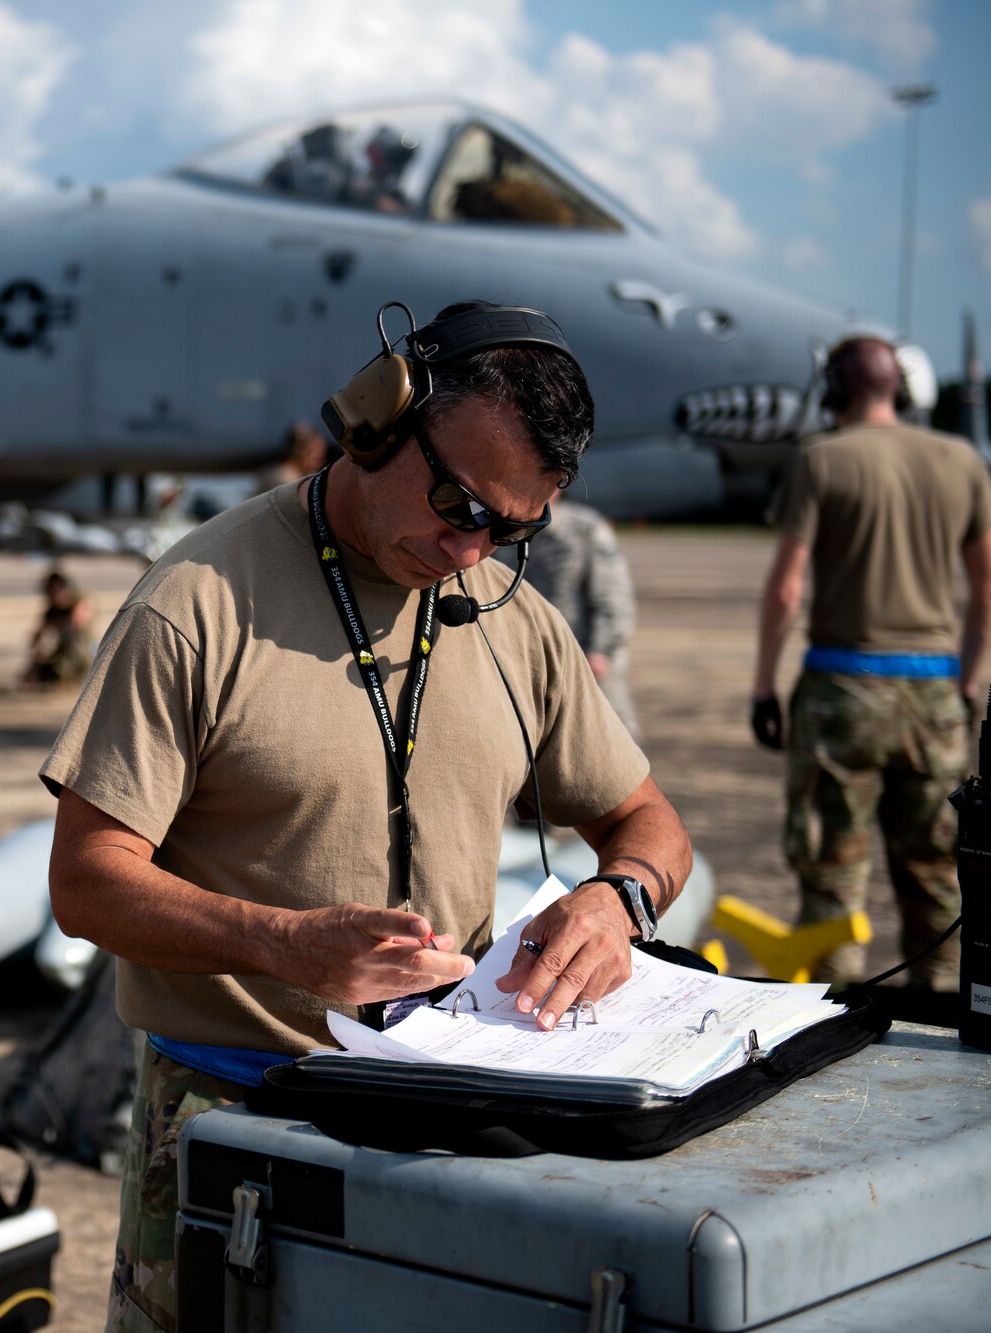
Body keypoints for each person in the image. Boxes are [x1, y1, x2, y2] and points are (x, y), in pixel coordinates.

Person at [43, 300, 693, 1333]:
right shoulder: (195, 602)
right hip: (232, 1128)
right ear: (374, 423)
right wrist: (283, 943)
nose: (469, 552)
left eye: (509, 531)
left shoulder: (510, 620)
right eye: (456, 504)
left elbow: (646, 818)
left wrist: (617, 901)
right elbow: (83, 880)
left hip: (451, 1122)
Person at [751, 336, 991, 989]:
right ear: (905, 390)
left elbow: (785, 589)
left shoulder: (819, 459)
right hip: (934, 695)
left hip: (841, 690)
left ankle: (834, 1017)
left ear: (834, 393)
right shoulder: (961, 459)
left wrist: (763, 687)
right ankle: (945, 1013)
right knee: (937, 876)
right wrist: (967, 681)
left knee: (833, 876)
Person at [502, 500, 641, 739]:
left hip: (588, 662)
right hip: (527, 663)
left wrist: (600, 651)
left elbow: (613, 596)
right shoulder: (504, 528)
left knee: (609, 741)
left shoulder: (584, 529)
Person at [22, 568, 95, 687]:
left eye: (57, 590)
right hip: (64, 652)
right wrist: (33, 665)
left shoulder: (79, 600)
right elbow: (39, 639)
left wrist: (51, 624)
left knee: (66, 663)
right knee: (45, 670)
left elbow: (76, 621)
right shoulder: (52, 611)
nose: (55, 595)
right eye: (51, 591)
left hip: (85, 652)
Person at [254, 419, 329, 495]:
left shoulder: (274, 472)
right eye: (318, 457)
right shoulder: (287, 481)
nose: (320, 463)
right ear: (302, 452)